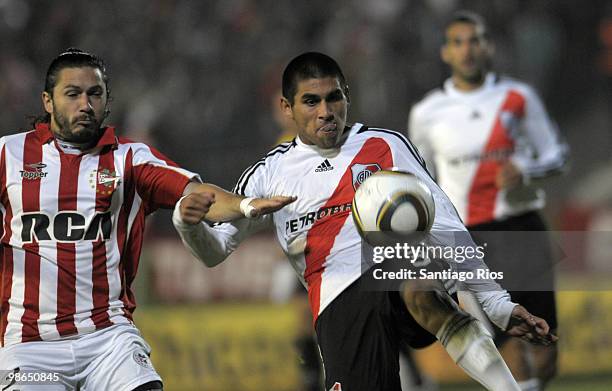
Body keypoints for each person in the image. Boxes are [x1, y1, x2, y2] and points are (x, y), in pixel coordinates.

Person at [173, 51, 556, 391]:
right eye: (311, 102)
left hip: (395, 270)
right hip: (338, 300)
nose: (326, 112)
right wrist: (189, 227)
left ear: (346, 97)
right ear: (287, 108)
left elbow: (444, 224)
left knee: (419, 284)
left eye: (333, 98)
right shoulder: (267, 174)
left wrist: (495, 301)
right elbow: (215, 252)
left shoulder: (385, 145)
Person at [0, 48, 293, 391]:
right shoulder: (9, 154)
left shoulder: (130, 159)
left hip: (108, 340)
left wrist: (245, 205)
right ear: (48, 101)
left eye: (95, 94)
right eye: (72, 94)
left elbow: (198, 194)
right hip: (30, 346)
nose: (85, 104)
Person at [408, 11, 568, 391]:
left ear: (489, 47)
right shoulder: (427, 113)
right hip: (470, 237)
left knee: (545, 346)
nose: (468, 49)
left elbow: (556, 155)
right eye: (458, 42)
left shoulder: (517, 97)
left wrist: (526, 170)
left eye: (475, 40)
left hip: (522, 225)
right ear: (445, 52)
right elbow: (422, 179)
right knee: (507, 340)